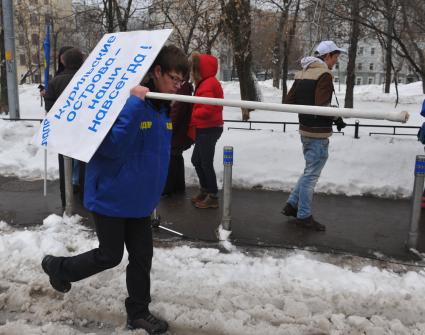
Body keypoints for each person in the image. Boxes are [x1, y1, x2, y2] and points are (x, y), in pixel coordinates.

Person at [41, 44, 189, 335]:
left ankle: (138, 313)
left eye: (181, 81)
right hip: (111, 195)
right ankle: (58, 267)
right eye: (174, 78)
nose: (177, 86)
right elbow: (110, 148)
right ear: (156, 72)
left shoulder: (161, 107)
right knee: (110, 255)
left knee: (142, 257)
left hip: (141, 199)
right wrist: (134, 104)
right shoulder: (125, 101)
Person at [281, 40, 347, 231]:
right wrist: (336, 116)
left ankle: (292, 204)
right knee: (311, 176)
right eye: (335, 56)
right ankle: (304, 216)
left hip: (305, 129)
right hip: (318, 133)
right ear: (327, 56)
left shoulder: (302, 72)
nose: (336, 61)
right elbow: (321, 107)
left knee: (309, 171)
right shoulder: (324, 73)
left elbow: (289, 100)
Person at [44, 46, 85, 209]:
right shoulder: (88, 79)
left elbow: (49, 106)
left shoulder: (56, 81)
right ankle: (84, 197)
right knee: (84, 164)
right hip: (84, 129)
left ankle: (65, 199)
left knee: (64, 165)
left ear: (63, 61)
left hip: (64, 131)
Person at [189, 52, 224, 209]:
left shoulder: (209, 83)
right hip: (206, 128)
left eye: (194, 68)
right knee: (197, 160)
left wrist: (193, 113)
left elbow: (208, 108)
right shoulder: (205, 82)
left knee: (205, 162)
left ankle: (213, 196)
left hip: (210, 128)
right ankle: (205, 190)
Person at [162, 78, 194, 196]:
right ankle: (178, 186)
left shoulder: (182, 88)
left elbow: (176, 110)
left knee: (172, 156)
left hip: (177, 129)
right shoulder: (185, 86)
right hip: (180, 129)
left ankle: (169, 188)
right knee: (176, 155)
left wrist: (168, 126)